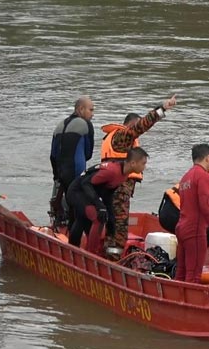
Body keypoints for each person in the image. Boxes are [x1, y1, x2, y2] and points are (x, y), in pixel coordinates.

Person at [100, 94, 177, 255]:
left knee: (113, 225)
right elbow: (141, 126)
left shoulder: (115, 139)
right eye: (136, 127)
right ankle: (113, 260)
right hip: (118, 190)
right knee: (119, 228)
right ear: (130, 125)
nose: (138, 133)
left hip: (112, 188)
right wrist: (161, 109)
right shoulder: (122, 136)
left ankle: (109, 254)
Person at [66, 147, 148, 257]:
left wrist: (111, 216)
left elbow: (107, 194)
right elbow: (86, 183)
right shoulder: (112, 171)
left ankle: (74, 250)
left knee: (100, 218)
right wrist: (99, 205)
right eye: (143, 163)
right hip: (77, 192)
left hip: (88, 193)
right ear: (133, 163)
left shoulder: (124, 174)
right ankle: (91, 255)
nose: (145, 167)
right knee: (99, 218)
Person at [174, 144, 209, 283]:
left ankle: (176, 300)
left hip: (181, 228)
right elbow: (205, 204)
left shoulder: (185, 177)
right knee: (193, 274)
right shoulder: (203, 176)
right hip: (195, 230)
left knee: (181, 271)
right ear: (207, 157)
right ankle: (186, 303)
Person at [49, 96, 95, 230]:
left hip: (60, 175)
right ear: (80, 109)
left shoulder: (59, 125)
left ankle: (61, 227)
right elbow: (88, 154)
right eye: (91, 110)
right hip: (76, 174)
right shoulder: (86, 125)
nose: (93, 114)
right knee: (79, 213)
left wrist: (57, 176)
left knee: (64, 207)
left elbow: (53, 155)